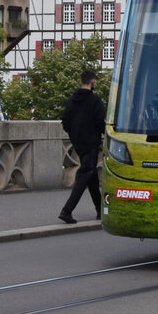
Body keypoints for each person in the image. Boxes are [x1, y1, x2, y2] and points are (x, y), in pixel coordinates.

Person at [59, 69, 106, 224]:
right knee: (85, 175)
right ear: (92, 82)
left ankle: (100, 210)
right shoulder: (95, 101)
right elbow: (100, 122)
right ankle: (67, 210)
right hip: (91, 143)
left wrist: (75, 135)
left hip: (78, 143)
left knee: (92, 177)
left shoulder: (72, 100)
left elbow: (65, 121)